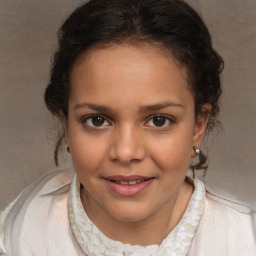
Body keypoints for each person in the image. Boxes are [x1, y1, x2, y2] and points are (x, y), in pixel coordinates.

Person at [0, 0, 255, 255]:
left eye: (158, 120)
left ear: (198, 128)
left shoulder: (242, 238)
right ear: (66, 126)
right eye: (97, 120)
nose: (125, 151)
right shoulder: (26, 225)